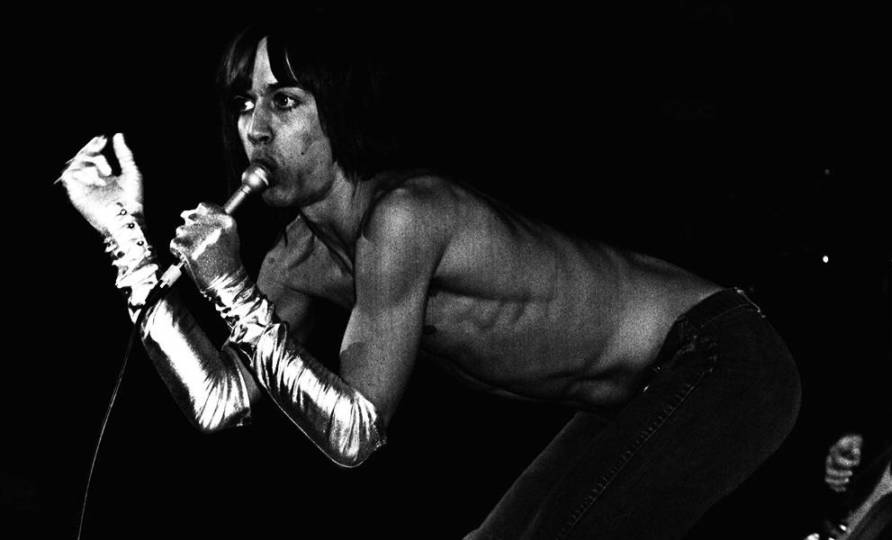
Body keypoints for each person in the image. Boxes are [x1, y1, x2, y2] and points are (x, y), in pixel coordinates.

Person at [58, 20, 802, 540]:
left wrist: (229, 289)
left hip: (719, 358)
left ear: (335, 109)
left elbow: (355, 433)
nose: (255, 128)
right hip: (635, 396)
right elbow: (222, 403)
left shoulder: (405, 218)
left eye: (283, 101)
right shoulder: (295, 259)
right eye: (244, 104)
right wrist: (125, 238)